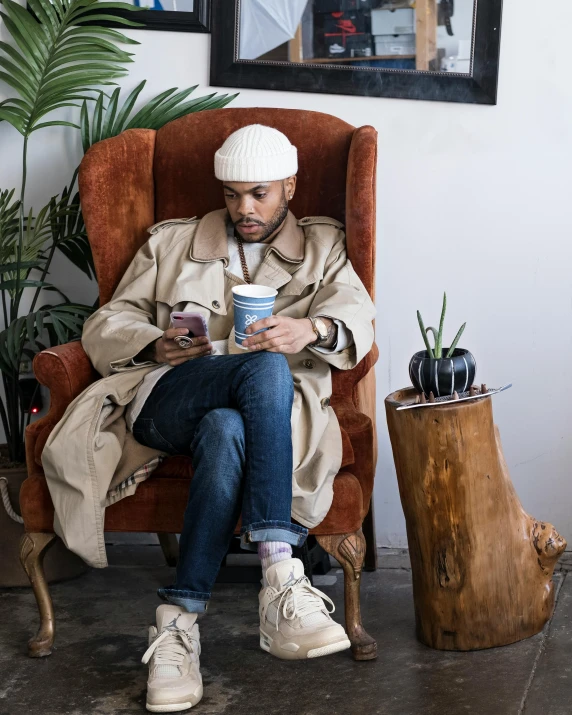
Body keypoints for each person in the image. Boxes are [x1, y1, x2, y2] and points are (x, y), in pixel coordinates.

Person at [78, 124, 376, 712]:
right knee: (263, 369)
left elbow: (354, 314)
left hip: (249, 421)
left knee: (229, 426)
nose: (244, 208)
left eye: (259, 193)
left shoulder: (323, 245)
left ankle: (179, 622)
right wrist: (152, 343)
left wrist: (308, 328)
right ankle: (278, 567)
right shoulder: (171, 244)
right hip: (167, 402)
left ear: (290, 185)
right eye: (233, 194)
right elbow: (105, 322)